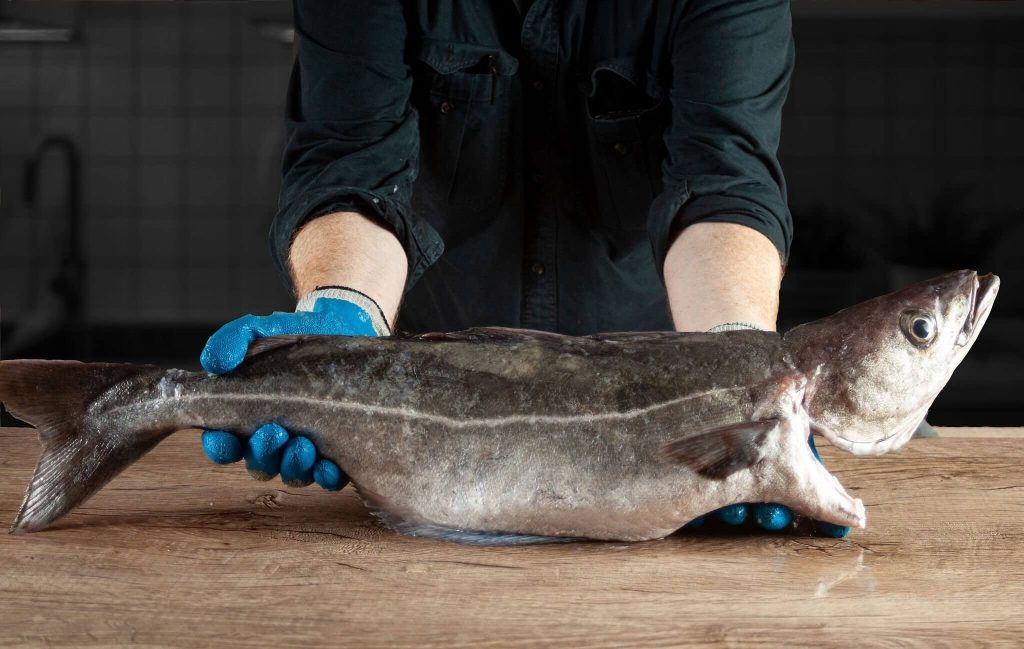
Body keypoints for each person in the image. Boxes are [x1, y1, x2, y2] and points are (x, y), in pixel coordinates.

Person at [199, 0, 847, 535]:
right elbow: (352, 164)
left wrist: (738, 369)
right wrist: (339, 312)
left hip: (657, 398)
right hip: (426, 392)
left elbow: (722, 185)